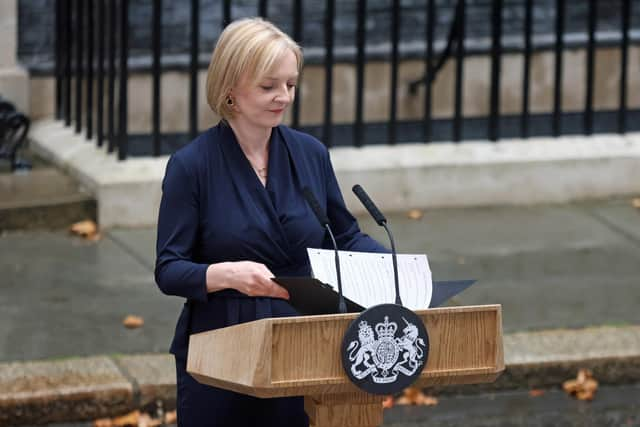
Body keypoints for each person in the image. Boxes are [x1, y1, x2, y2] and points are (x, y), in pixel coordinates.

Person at [155, 17, 387, 427]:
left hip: (303, 340)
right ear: (230, 90)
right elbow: (170, 270)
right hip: (222, 347)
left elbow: (345, 236)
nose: (283, 96)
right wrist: (225, 274)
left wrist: (393, 266)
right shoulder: (191, 166)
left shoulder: (311, 153)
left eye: (290, 84)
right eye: (268, 86)